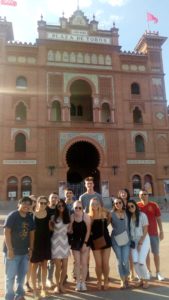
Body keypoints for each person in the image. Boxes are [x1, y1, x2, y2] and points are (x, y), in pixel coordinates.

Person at [3, 196, 35, 300]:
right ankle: (9, 297)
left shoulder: (29, 217)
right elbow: (6, 232)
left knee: (21, 277)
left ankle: (19, 295)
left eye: (28, 204)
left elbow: (32, 234)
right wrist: (10, 250)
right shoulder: (13, 215)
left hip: (24, 252)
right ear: (19, 204)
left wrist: (31, 249)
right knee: (10, 276)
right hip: (13, 252)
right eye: (24, 203)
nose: (26, 205)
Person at [138, 190, 165, 281]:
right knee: (146, 254)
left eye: (145, 194)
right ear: (139, 196)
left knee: (156, 253)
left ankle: (158, 272)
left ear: (148, 195)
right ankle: (148, 272)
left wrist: (161, 231)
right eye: (142, 194)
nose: (144, 196)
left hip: (153, 233)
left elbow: (158, 219)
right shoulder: (137, 206)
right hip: (143, 235)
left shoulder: (154, 205)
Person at [88, 198, 112, 290]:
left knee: (105, 263)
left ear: (99, 204)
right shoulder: (89, 216)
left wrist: (104, 209)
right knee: (98, 264)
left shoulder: (104, 214)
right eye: (92, 204)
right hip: (95, 241)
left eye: (96, 203)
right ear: (90, 206)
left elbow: (109, 219)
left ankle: (106, 280)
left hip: (106, 239)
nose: (94, 205)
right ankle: (99, 280)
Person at [126, 200, 150, 288]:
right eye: (128, 207)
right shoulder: (128, 217)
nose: (130, 208)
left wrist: (140, 242)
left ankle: (146, 280)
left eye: (132, 206)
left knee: (141, 262)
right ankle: (141, 279)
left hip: (143, 240)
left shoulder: (142, 215)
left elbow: (145, 229)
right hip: (133, 241)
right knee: (135, 262)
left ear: (135, 206)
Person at [31, 196, 51, 299]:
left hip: (46, 243)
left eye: (45, 203)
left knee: (44, 266)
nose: (43, 205)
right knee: (34, 267)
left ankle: (44, 288)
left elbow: (51, 227)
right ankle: (35, 290)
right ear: (37, 203)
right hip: (35, 243)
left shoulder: (49, 215)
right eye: (41, 203)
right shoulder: (32, 215)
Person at [49, 199, 70, 293]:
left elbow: (70, 230)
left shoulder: (68, 217)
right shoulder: (53, 217)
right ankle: (57, 286)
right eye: (59, 206)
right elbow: (50, 229)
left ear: (65, 207)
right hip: (56, 242)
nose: (61, 207)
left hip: (65, 242)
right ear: (57, 208)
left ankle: (61, 284)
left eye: (62, 205)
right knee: (57, 266)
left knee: (65, 266)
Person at [69, 200, 91, 291]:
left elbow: (88, 231)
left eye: (79, 207)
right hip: (75, 241)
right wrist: (70, 224)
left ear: (83, 208)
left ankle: (83, 283)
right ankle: (78, 283)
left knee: (84, 263)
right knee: (77, 263)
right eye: (76, 208)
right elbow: (69, 230)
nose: (77, 209)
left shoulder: (86, 217)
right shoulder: (72, 216)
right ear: (73, 208)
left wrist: (85, 243)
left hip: (85, 241)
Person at [110, 198, 130, 289]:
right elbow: (104, 224)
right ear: (114, 205)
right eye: (116, 203)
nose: (118, 204)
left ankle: (126, 278)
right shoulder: (111, 214)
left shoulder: (127, 213)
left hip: (126, 240)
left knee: (125, 261)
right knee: (119, 261)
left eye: (119, 202)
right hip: (115, 240)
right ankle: (122, 280)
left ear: (122, 203)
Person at [46, 192, 59, 288]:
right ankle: (40, 279)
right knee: (42, 260)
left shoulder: (59, 209)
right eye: (52, 197)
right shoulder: (45, 208)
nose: (54, 199)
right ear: (49, 199)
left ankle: (49, 279)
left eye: (55, 197)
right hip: (45, 237)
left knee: (52, 259)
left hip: (56, 238)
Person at [25, 195, 37, 293]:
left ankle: (30, 281)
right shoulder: (25, 213)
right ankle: (26, 283)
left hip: (35, 242)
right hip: (25, 243)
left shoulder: (36, 213)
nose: (32, 203)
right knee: (27, 264)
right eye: (31, 201)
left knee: (33, 264)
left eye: (34, 201)